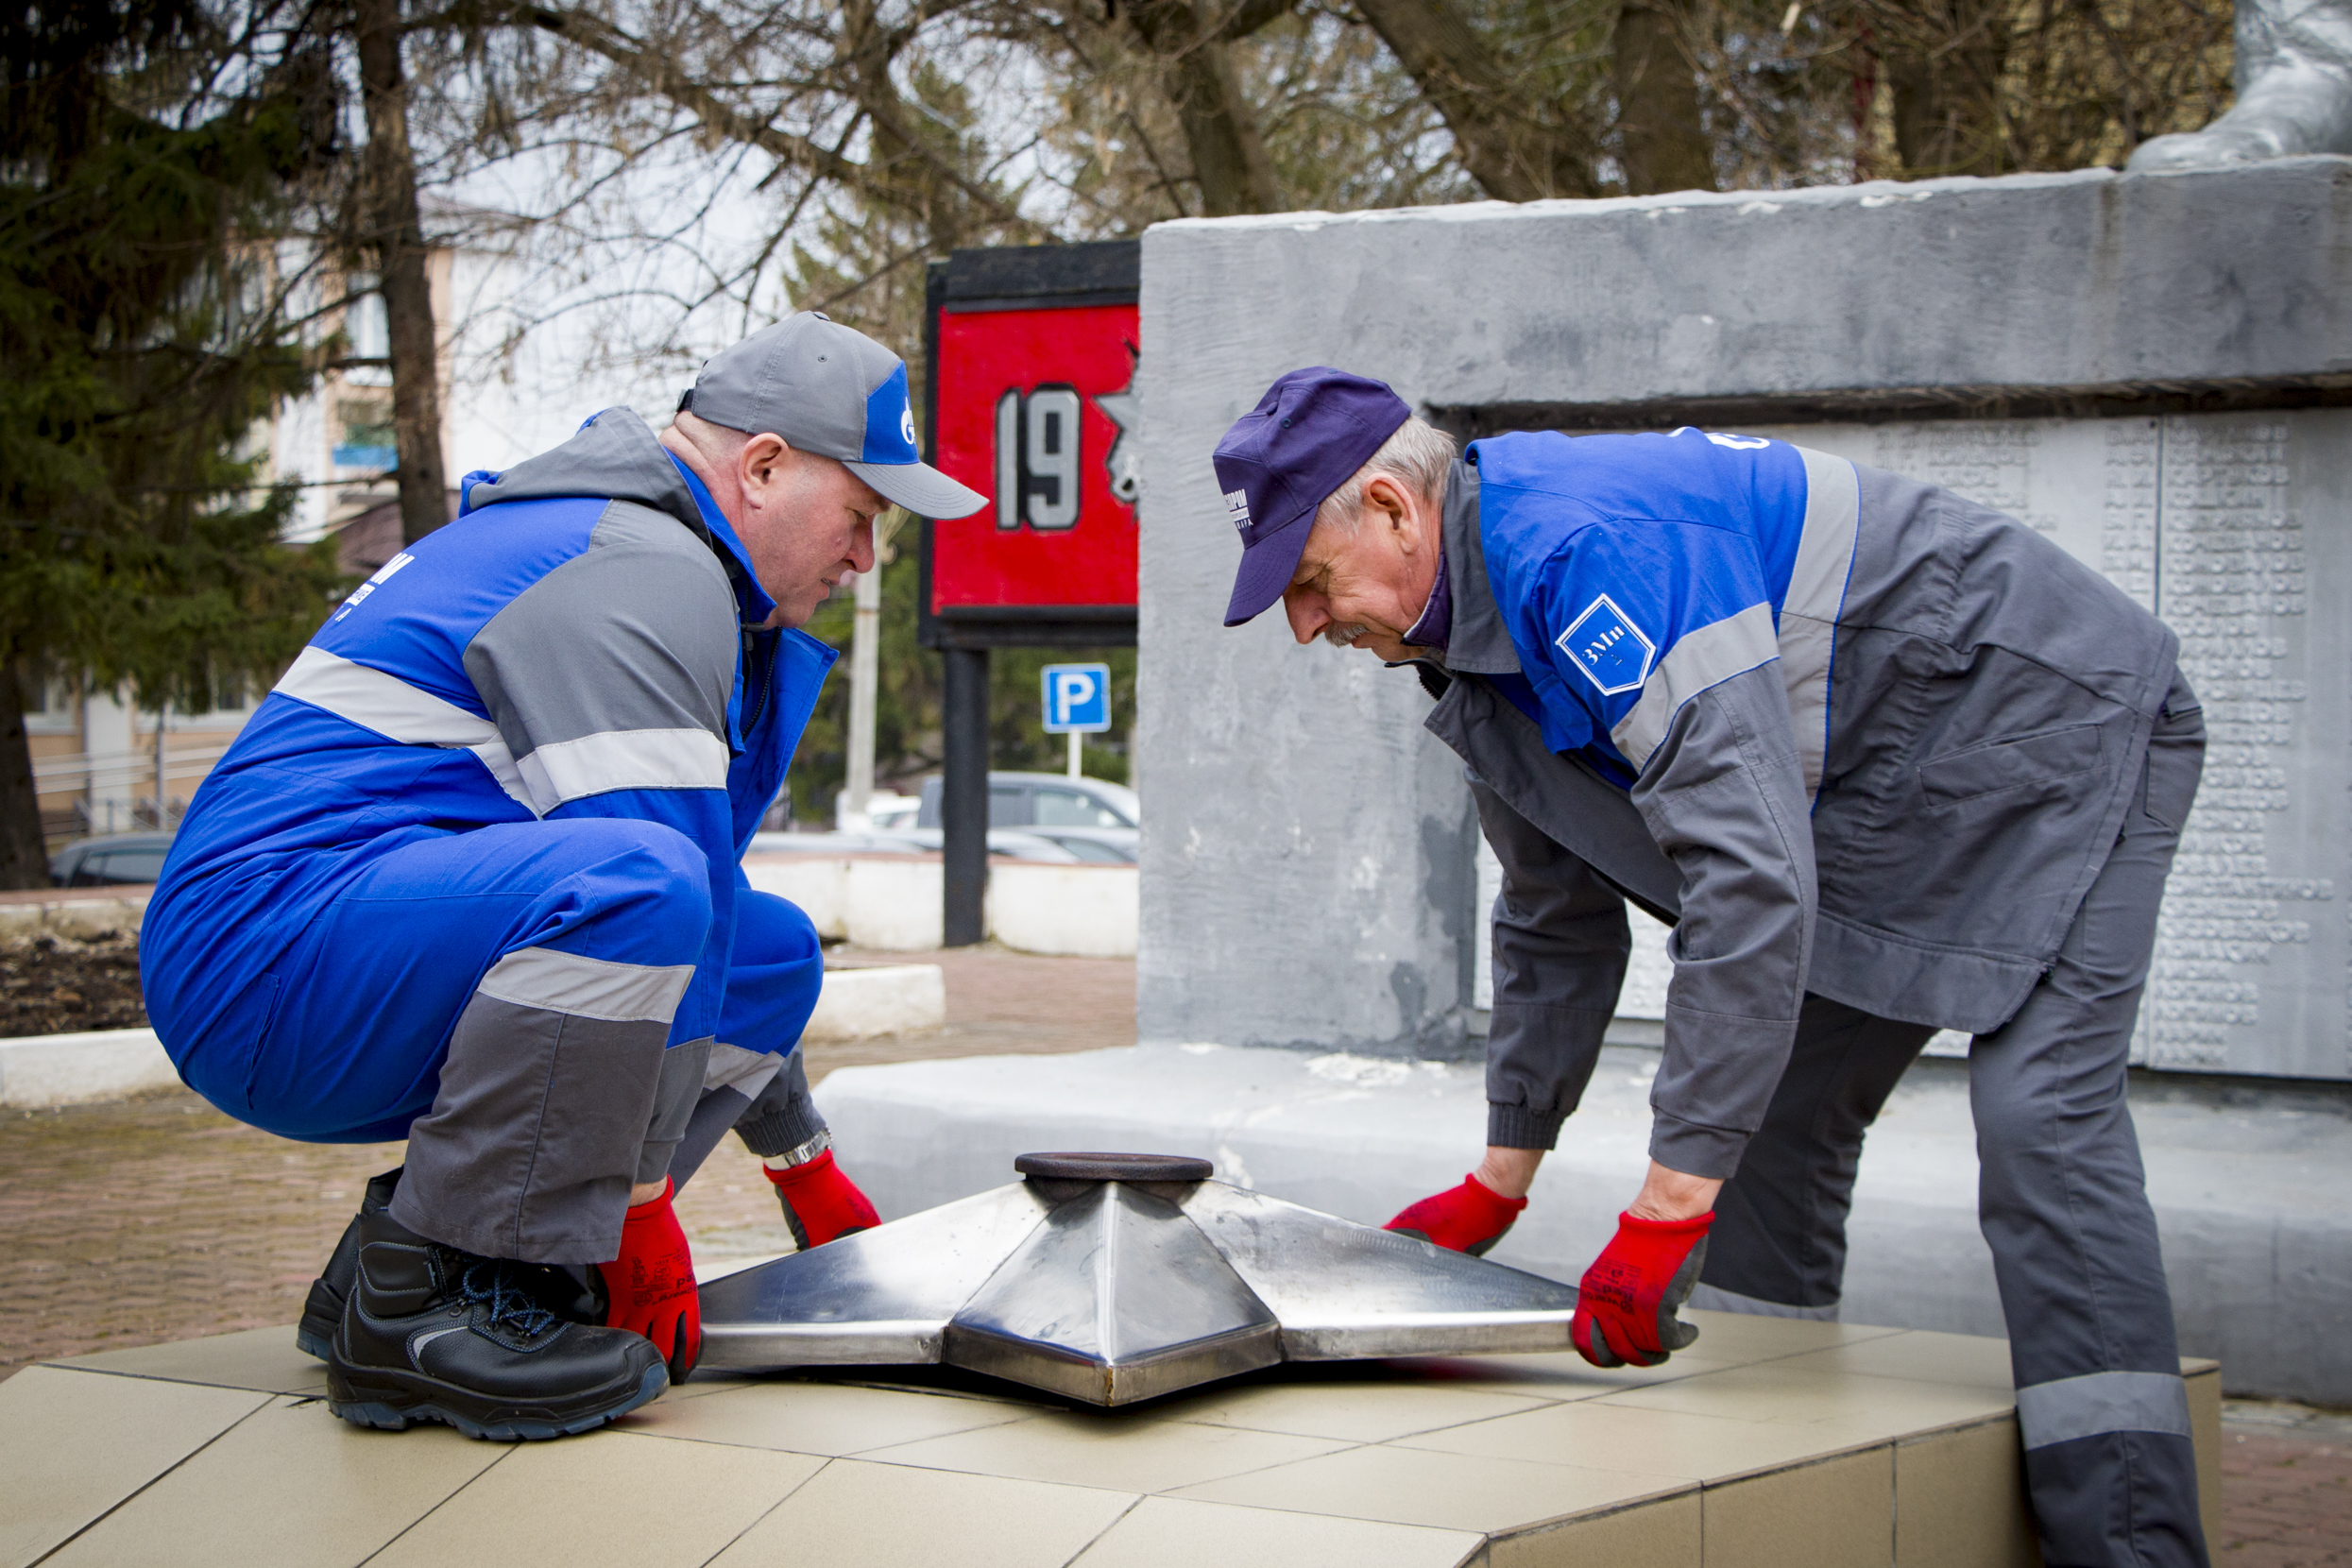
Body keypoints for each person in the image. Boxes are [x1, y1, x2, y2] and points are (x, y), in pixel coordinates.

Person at [1213, 367, 2207, 1568]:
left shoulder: (1586, 558)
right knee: (1776, 1131)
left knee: (2043, 1124)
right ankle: (1789, 1505)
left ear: (1392, 506)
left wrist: (1664, 1204)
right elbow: (1552, 912)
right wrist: (1502, 1175)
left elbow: (1749, 880)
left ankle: (2134, 1546)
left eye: (1311, 583)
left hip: (2060, 723)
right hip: (1880, 792)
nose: (1309, 626)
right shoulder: (1469, 649)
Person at [141, 313, 984, 1440]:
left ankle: (411, 1259)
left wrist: (804, 1167)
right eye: (862, 515)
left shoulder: (648, 555)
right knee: (634, 886)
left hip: (338, 941)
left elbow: (711, 940)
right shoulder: (640, 570)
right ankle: (426, 1316)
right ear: (765, 466)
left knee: (770, 948)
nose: (865, 556)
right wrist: (637, 1209)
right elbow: (653, 890)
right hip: (265, 963)